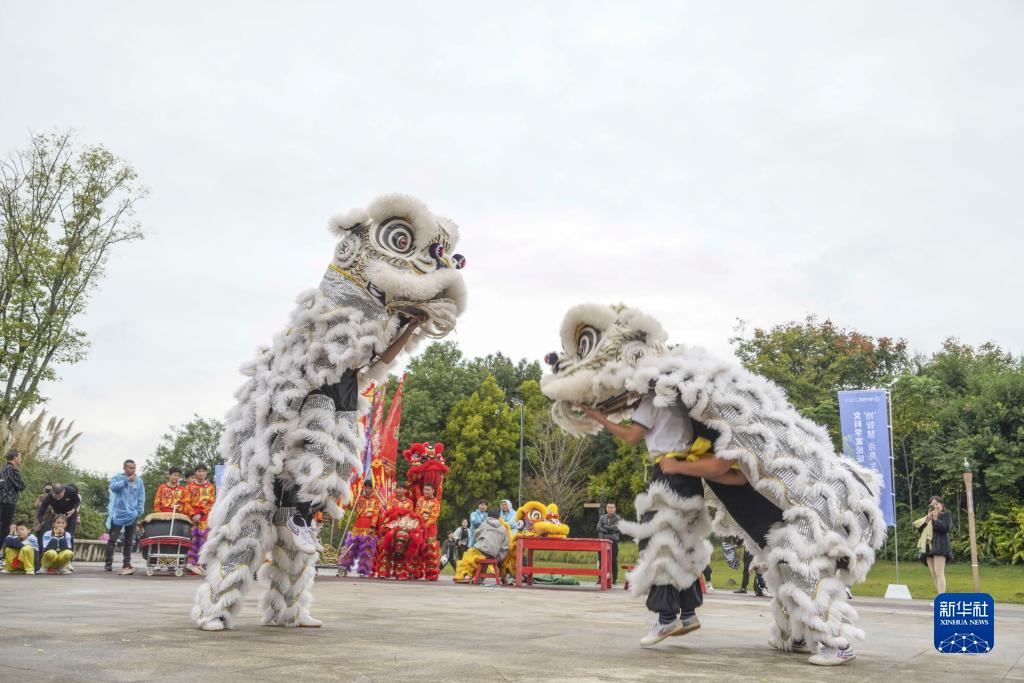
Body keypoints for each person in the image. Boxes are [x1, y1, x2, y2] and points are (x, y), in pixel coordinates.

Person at [584, 399, 708, 647]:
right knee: (683, 544)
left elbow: (631, 436)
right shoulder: (682, 399)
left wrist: (597, 417)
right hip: (691, 476)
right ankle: (688, 612)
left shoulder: (652, 399)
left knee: (659, 545)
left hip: (669, 473)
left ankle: (667, 618)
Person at [105, 459, 145, 575]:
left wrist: (138, 511)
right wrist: (126, 480)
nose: (132, 470)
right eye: (130, 468)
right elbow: (113, 488)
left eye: (134, 468)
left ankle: (126, 563)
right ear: (124, 468)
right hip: (118, 513)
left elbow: (141, 497)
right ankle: (108, 563)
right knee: (112, 539)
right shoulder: (118, 478)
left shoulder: (139, 481)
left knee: (129, 541)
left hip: (132, 514)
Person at [337, 480, 381, 577]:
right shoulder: (359, 498)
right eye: (366, 487)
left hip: (368, 526)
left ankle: (363, 570)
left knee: (366, 548)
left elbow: (375, 514)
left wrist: (372, 527)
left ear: (373, 489)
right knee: (350, 546)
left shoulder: (376, 500)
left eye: (369, 488)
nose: (367, 489)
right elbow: (354, 509)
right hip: (358, 525)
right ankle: (343, 567)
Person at [453, 509, 510, 582]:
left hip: (481, 551)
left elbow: (476, 535)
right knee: (484, 559)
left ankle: (466, 574)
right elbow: (505, 546)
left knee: (468, 555)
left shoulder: (484, 524)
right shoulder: (503, 528)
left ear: (488, 516)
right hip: (493, 555)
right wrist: (498, 557)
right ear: (498, 517)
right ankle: (480, 577)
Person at [182, 464, 216, 575]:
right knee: (191, 540)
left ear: (206, 473)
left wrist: (200, 514)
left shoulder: (210, 487)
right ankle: (191, 563)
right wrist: (192, 515)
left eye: (203, 471)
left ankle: (202, 564)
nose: (201, 473)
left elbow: (211, 503)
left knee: (203, 541)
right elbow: (186, 502)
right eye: (198, 471)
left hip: (204, 517)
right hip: (191, 517)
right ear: (195, 473)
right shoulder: (189, 487)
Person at [916, 495, 953, 594]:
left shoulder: (946, 515)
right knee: (934, 575)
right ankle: (940, 595)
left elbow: (946, 528)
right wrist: (928, 520)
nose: (934, 506)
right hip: (929, 548)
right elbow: (920, 530)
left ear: (942, 505)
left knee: (939, 573)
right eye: (932, 505)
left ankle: (942, 597)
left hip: (940, 547)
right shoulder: (928, 517)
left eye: (936, 504)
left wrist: (936, 519)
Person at [0, 450, 27, 536]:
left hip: (1, 500)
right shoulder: (12, 470)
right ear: (15, 457)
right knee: (5, 527)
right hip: (9, 502)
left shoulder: (2, 469)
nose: (21, 459)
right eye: (20, 457)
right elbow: (21, 486)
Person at [596, 501, 622, 584]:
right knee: (601, 560)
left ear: (615, 509)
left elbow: (615, 528)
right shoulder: (602, 517)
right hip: (602, 542)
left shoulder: (618, 518)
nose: (610, 509)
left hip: (613, 542)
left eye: (612, 507)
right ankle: (600, 579)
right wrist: (609, 529)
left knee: (613, 560)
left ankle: (614, 580)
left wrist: (604, 527)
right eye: (609, 507)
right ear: (606, 509)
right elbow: (598, 527)